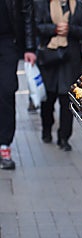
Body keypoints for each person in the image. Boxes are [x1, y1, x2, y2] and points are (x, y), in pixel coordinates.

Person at [34, 0, 82, 151]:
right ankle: (47, 128)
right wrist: (54, 29)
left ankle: (64, 137)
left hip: (71, 59)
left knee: (67, 100)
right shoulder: (43, 4)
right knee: (48, 98)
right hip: (50, 57)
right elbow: (36, 26)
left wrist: (70, 29)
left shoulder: (78, 6)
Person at [0, 0, 36, 170]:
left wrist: (29, 47)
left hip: (8, 43)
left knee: (6, 92)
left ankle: (4, 145)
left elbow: (27, 12)